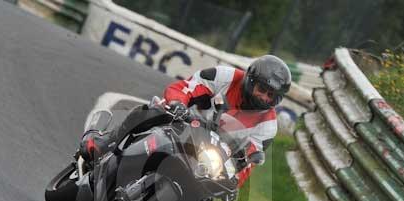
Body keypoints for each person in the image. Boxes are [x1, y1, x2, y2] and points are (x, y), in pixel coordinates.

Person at [81, 55, 292, 187]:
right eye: (262, 90)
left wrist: (232, 182)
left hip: (210, 155)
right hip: (184, 122)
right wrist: (178, 104)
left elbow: (249, 162)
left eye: (271, 95)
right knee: (155, 110)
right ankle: (104, 143)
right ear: (250, 81)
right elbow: (184, 88)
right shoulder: (224, 76)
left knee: (206, 198)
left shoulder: (268, 126)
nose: (265, 97)